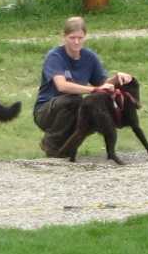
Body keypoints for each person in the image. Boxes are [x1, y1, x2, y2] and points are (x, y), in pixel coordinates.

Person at [34, 15, 107, 157]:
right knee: (74, 100)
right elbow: (62, 86)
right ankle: (50, 143)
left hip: (72, 108)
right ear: (64, 37)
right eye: (72, 38)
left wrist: (118, 79)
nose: (76, 42)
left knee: (93, 107)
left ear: (85, 37)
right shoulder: (55, 56)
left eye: (80, 38)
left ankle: (68, 147)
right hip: (46, 111)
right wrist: (92, 89)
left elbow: (103, 84)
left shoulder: (90, 57)